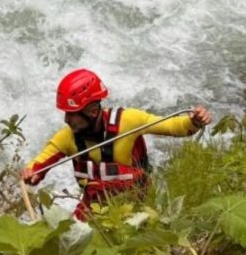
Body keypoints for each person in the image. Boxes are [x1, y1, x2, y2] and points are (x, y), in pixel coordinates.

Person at [21, 68, 212, 221]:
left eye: (71, 114)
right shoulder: (66, 138)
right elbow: (39, 164)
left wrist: (194, 121)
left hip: (138, 203)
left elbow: (173, 126)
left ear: (93, 111)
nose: (66, 119)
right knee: (71, 238)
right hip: (95, 209)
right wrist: (31, 173)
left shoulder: (128, 121)